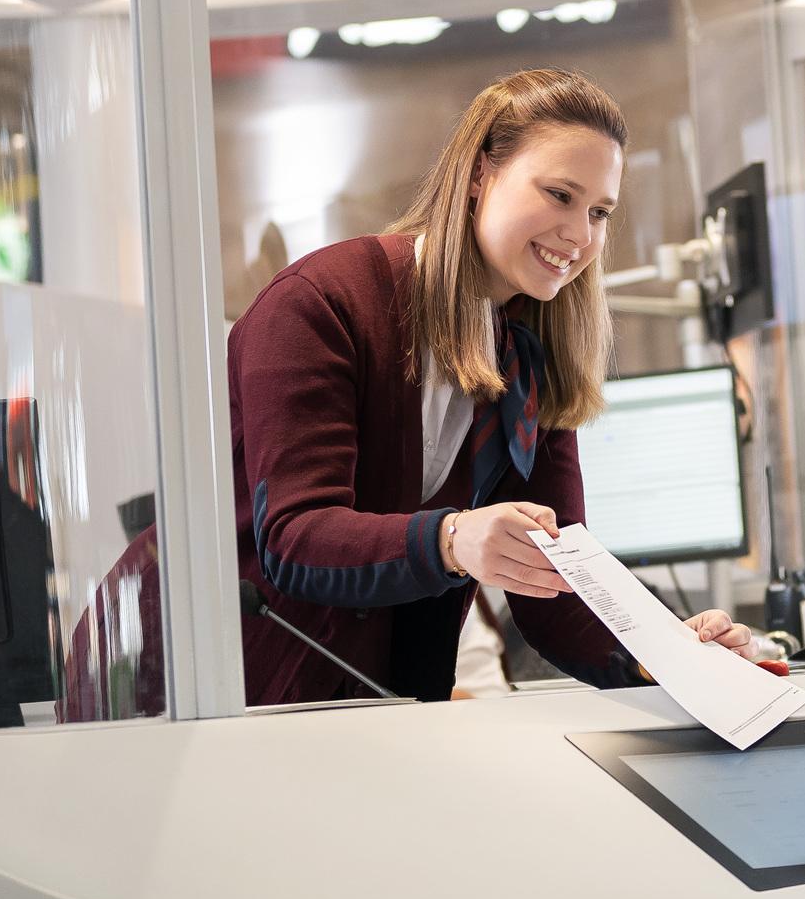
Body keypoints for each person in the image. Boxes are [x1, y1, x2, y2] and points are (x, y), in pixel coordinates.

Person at [227, 68, 758, 705]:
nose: (581, 235)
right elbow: (295, 538)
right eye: (560, 194)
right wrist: (452, 540)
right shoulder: (319, 305)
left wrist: (669, 652)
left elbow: (555, 591)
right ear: (480, 175)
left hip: (377, 712)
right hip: (232, 697)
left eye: (598, 212)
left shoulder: (525, 358)